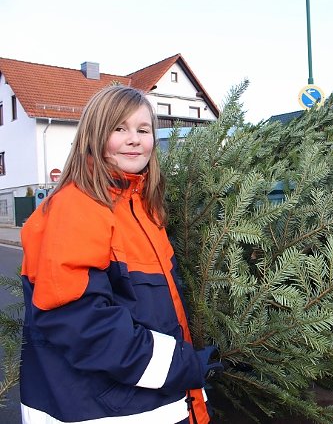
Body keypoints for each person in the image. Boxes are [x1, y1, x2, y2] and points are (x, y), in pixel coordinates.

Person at [19, 86, 221, 424]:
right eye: (119, 128)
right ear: (94, 136)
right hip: (102, 410)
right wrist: (182, 365)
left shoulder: (142, 209)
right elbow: (80, 322)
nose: (134, 140)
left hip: (149, 401)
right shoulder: (76, 207)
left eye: (143, 130)